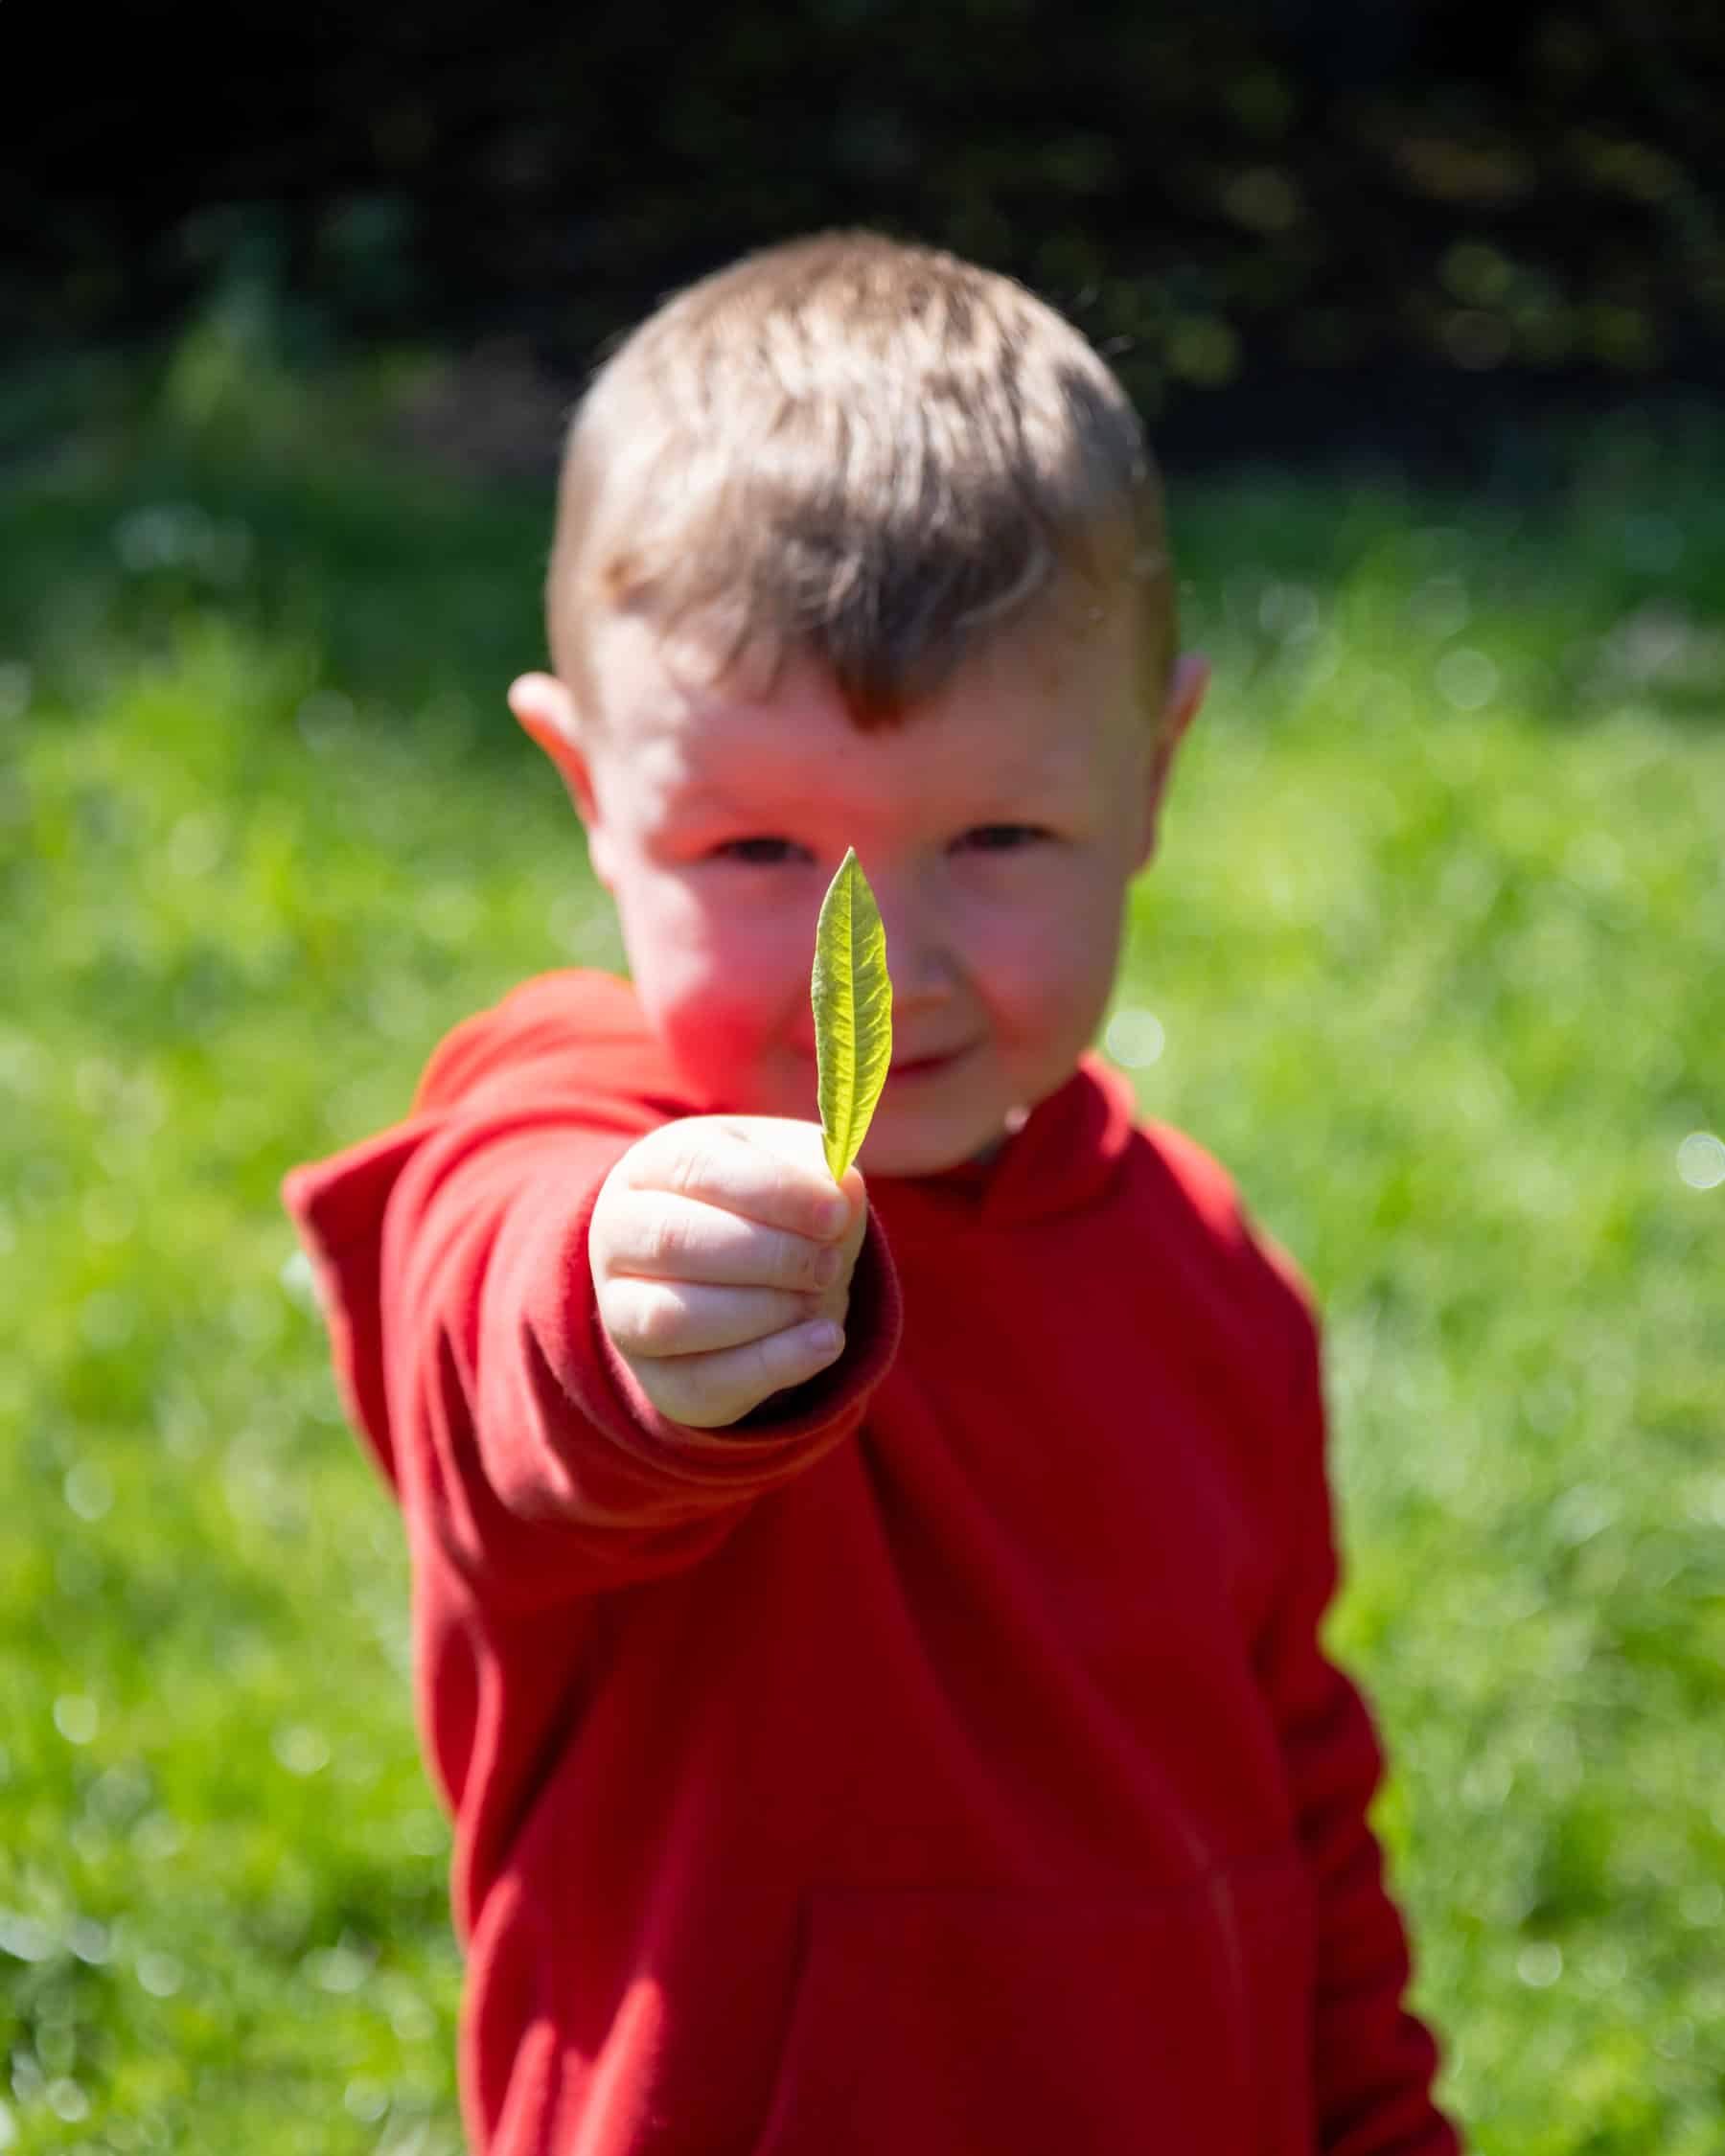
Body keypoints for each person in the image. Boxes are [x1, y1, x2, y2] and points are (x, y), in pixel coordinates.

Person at [284, 230, 1460, 2155]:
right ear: (588, 793)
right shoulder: (566, 1134)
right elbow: (491, 1358)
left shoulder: (1210, 1271)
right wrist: (630, 1308)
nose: (886, 955)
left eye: (997, 833)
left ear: (1154, 780)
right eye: (760, 849)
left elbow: (1304, 1786)